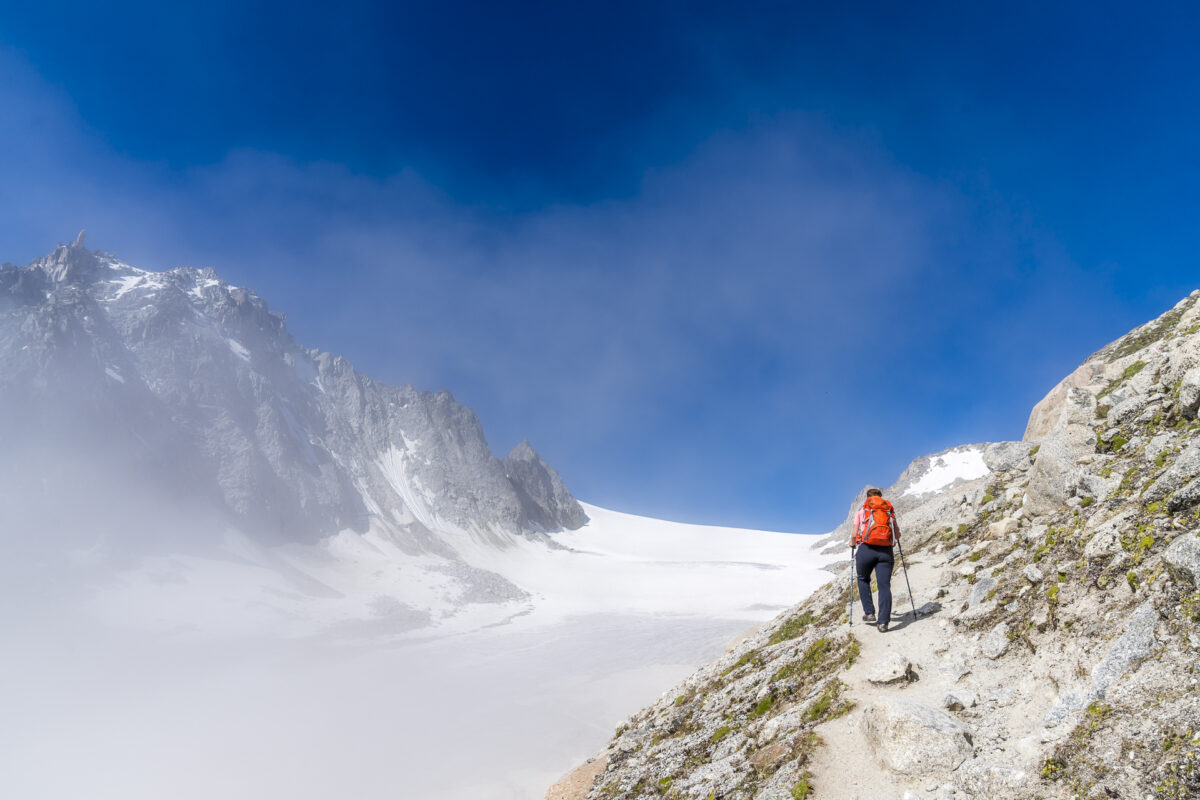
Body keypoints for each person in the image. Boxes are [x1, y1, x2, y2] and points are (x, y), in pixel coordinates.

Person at [849, 488, 900, 632]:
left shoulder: (862, 511)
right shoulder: (888, 511)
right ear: (881, 497)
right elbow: (897, 533)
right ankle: (883, 622)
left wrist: (852, 542)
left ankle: (869, 613)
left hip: (867, 549)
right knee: (884, 585)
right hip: (886, 551)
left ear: (867, 498)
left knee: (863, 579)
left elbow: (854, 534)